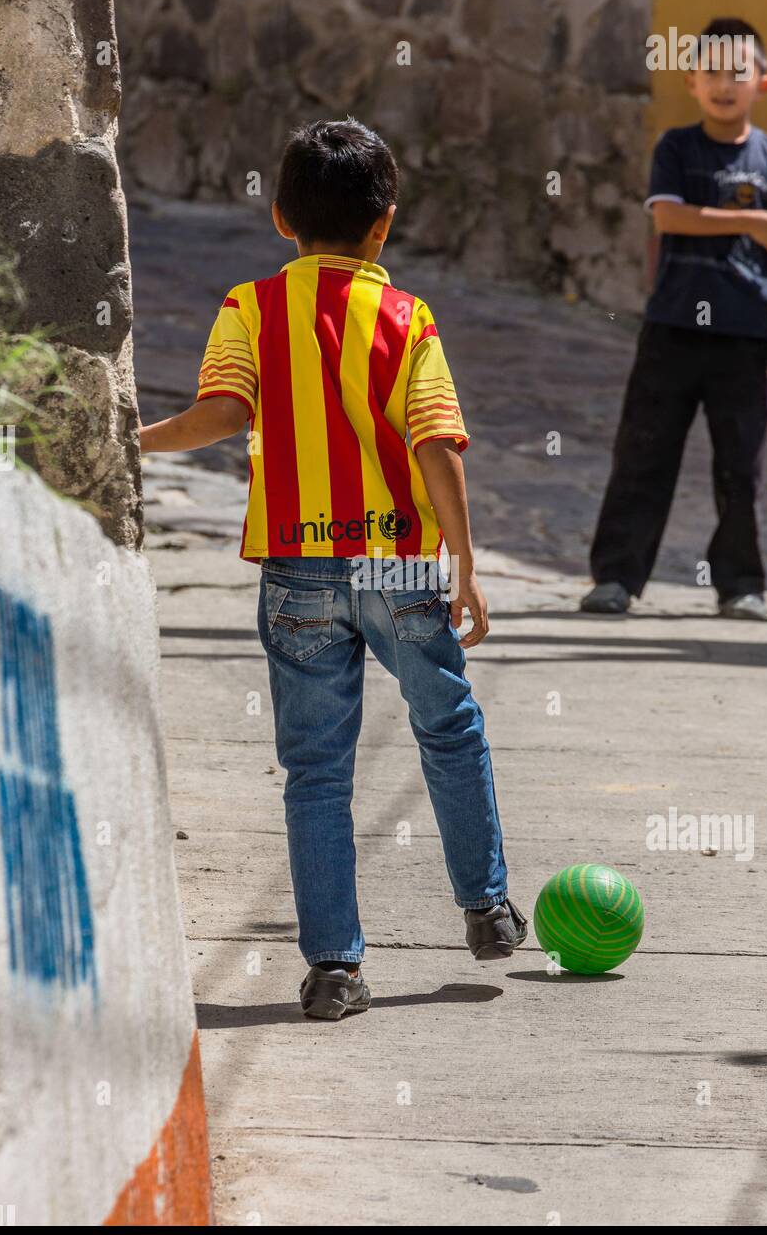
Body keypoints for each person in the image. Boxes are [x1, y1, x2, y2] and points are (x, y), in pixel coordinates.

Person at [140, 118, 527, 1020]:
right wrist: (463, 564)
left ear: (280, 217)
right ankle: (485, 906)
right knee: (450, 726)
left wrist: (135, 436)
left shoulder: (248, 308)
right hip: (396, 564)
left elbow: (221, 413)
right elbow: (438, 444)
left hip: (297, 568)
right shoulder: (408, 318)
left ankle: (335, 968)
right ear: (384, 224)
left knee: (317, 771)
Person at [583, 18, 767, 622]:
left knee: (742, 466)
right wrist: (746, 222)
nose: (725, 83)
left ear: (762, 81)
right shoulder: (676, 148)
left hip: (746, 336)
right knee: (643, 454)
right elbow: (669, 219)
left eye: (739, 71)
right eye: (712, 71)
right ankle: (616, 580)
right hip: (673, 329)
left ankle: (740, 584)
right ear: (691, 82)